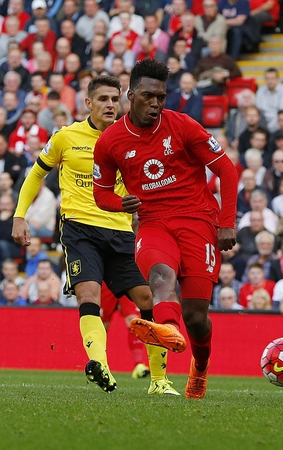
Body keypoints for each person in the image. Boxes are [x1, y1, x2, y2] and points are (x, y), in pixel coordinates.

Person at [11, 75, 180, 395]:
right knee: (89, 294)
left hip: (120, 230)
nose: (110, 105)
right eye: (103, 99)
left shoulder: (131, 137)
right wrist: (20, 215)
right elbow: (36, 174)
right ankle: (100, 365)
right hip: (79, 229)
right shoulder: (65, 137)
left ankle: (159, 380)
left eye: (115, 100)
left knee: (147, 299)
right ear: (88, 103)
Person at [93, 59, 238, 399]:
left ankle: (199, 368)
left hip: (199, 221)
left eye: (161, 96)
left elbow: (227, 171)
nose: (156, 103)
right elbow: (100, 193)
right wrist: (121, 204)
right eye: (148, 96)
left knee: (197, 316)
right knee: (160, 276)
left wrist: (227, 224)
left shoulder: (185, 126)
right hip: (154, 222)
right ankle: (169, 331)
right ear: (130, 95)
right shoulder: (110, 141)